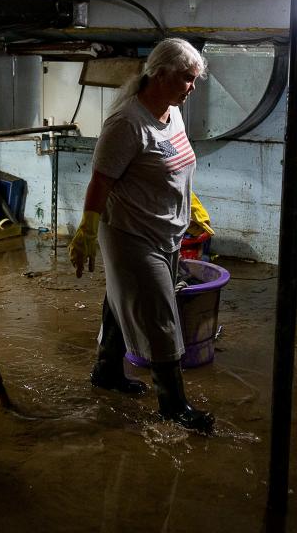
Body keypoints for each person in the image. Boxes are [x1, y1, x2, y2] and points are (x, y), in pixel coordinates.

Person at [68, 38, 215, 433]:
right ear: (161, 73)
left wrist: (191, 208)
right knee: (161, 318)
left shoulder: (172, 113)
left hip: (166, 230)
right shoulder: (127, 123)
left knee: (120, 300)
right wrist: (87, 228)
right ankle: (174, 406)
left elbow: (176, 166)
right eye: (187, 79)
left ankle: (106, 370)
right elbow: (101, 181)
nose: (192, 88)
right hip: (132, 235)